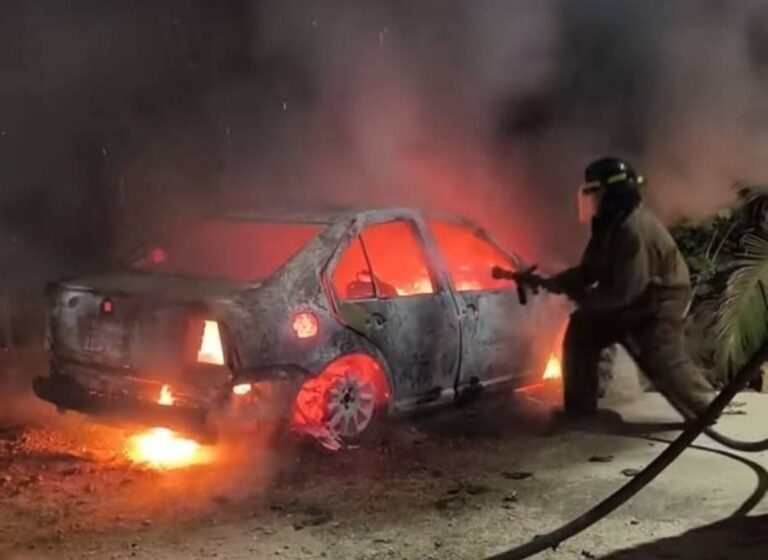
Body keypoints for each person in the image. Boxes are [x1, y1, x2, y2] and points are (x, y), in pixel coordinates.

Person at [517, 158, 717, 421]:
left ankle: (706, 407)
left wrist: (585, 300)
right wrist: (555, 281)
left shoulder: (633, 230)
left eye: (594, 193)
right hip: (634, 300)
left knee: (661, 355)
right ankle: (581, 412)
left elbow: (625, 291)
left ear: (611, 194)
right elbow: (591, 271)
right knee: (582, 333)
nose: (590, 200)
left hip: (658, 303)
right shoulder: (609, 224)